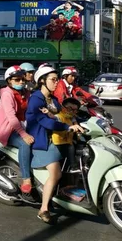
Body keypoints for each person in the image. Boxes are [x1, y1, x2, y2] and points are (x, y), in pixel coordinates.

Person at [25, 65, 84, 224]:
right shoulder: (36, 98)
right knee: (56, 173)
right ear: (42, 81)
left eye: (57, 79)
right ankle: (44, 209)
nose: (56, 82)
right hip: (43, 141)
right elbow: (45, 122)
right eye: (53, 79)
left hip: (59, 138)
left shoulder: (53, 98)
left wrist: (74, 120)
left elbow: (63, 113)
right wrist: (67, 126)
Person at [0, 66, 34, 194]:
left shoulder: (26, 93)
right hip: (8, 130)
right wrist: (23, 135)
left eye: (22, 79)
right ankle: (26, 178)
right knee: (25, 144)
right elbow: (11, 117)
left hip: (22, 125)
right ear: (9, 81)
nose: (21, 82)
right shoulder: (7, 94)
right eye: (17, 80)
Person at [52, 97, 82, 172]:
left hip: (68, 140)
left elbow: (75, 122)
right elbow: (56, 125)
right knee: (70, 148)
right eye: (70, 109)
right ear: (63, 107)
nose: (73, 112)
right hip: (59, 142)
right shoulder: (58, 117)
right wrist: (69, 128)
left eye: (75, 110)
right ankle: (72, 166)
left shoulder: (71, 118)